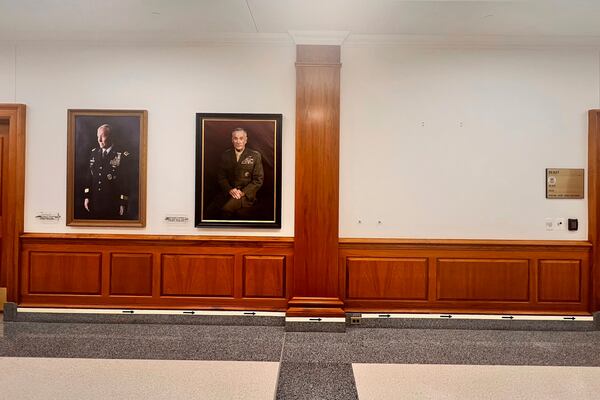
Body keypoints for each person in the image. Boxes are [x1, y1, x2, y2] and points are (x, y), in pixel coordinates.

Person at [210, 127, 264, 219]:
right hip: (229, 192)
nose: (238, 141)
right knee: (210, 209)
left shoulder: (255, 156)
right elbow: (221, 177)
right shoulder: (225, 155)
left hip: (246, 195)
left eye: (241, 138)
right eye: (235, 138)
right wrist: (230, 189)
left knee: (226, 209)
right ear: (232, 140)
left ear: (246, 140)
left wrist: (242, 192)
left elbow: (258, 180)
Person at [83, 124, 131, 219]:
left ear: (111, 136)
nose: (99, 140)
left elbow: (125, 181)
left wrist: (123, 202)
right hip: (95, 202)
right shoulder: (94, 153)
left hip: (113, 203)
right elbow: (89, 177)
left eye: (103, 136)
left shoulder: (122, 155)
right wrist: (87, 197)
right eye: (98, 136)